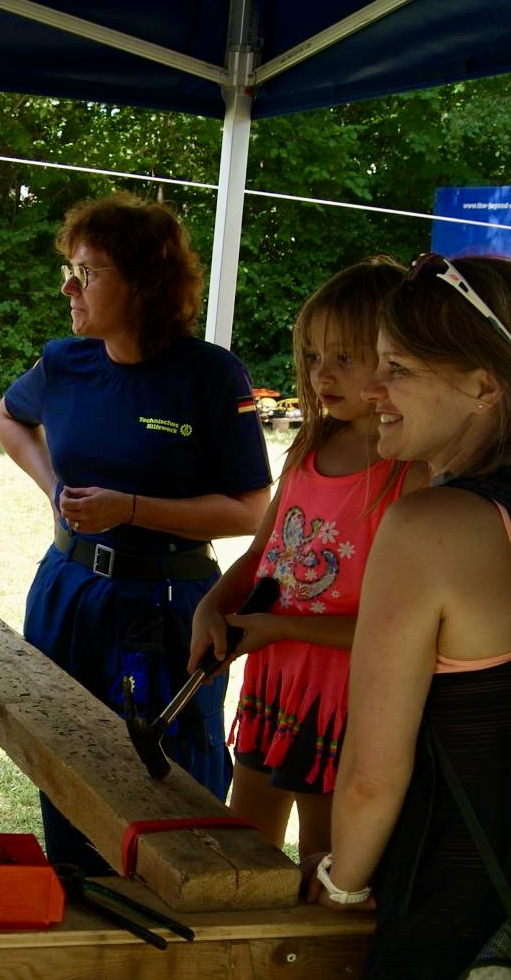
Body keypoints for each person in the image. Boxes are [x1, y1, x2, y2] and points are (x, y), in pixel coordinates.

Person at [0, 192, 273, 873]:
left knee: (168, 776)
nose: (68, 287)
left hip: (167, 605)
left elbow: (249, 510)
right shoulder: (65, 362)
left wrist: (134, 509)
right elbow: (9, 418)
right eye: (69, 269)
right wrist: (55, 489)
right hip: (67, 589)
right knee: (62, 755)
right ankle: (77, 903)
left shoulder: (210, 375)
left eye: (87, 272)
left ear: (146, 284)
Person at [308, 254, 511, 979]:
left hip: (451, 919)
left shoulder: (431, 527)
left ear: (483, 386)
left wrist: (340, 884)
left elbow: (371, 773)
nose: (372, 388)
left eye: (399, 368)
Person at [189, 258, 423, 858]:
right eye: (314, 356)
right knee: (246, 844)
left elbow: (394, 631)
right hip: (274, 678)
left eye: (344, 357)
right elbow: (264, 552)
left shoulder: (411, 474)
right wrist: (212, 605)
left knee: (326, 853)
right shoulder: (310, 444)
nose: (323, 374)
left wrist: (278, 627)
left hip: (345, 696)